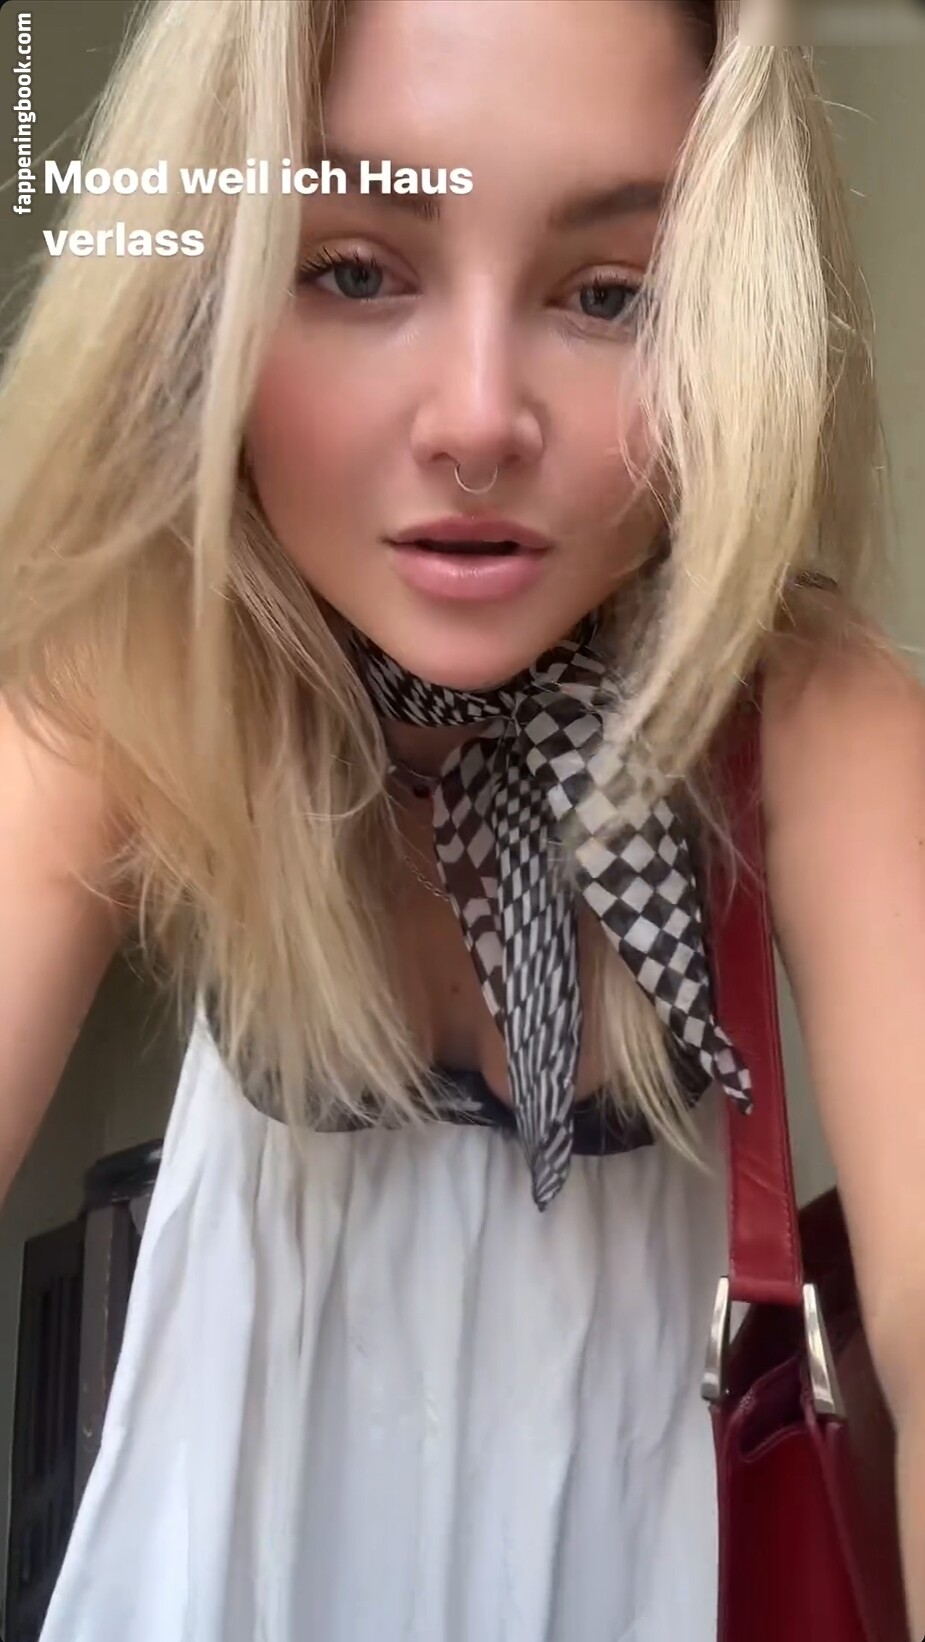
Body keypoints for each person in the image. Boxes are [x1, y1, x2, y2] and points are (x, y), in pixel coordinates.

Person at [0, 0, 923, 1637]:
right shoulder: (138, 660)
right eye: (356, 270)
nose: (479, 418)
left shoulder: (807, 716)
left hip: (642, 1540)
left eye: (610, 292)